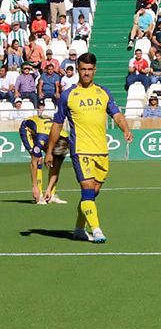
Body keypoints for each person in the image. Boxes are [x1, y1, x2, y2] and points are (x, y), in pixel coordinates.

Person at [46, 53, 134, 244]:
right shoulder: (68, 95)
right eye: (83, 69)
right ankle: (97, 230)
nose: (86, 73)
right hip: (81, 150)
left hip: (101, 150)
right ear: (78, 69)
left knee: (92, 194)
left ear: (95, 70)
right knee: (87, 190)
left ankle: (78, 229)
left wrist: (125, 129)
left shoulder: (103, 92)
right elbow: (57, 124)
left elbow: (116, 114)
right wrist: (49, 150)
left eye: (89, 70)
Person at [19, 110, 69, 205]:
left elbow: (57, 168)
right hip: (27, 129)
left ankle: (51, 195)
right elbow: (33, 163)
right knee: (38, 160)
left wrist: (49, 189)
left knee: (55, 163)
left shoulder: (65, 138)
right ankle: (40, 195)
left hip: (46, 132)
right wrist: (34, 186)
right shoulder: (41, 140)